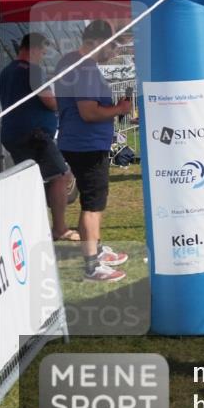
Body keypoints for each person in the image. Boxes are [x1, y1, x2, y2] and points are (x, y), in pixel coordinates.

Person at [53, 20, 131, 282]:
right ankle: (92, 265)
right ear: (97, 42)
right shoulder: (85, 67)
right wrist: (119, 109)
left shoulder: (69, 61)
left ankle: (95, 249)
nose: (113, 51)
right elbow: (88, 112)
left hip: (76, 141)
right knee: (93, 204)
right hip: (86, 144)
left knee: (92, 199)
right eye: (112, 45)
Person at [0, 33, 78, 241]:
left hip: (12, 133)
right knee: (61, 175)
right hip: (34, 135)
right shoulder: (32, 71)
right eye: (42, 52)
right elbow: (49, 101)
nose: (42, 57)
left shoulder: (6, 72)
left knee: (31, 180)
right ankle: (60, 229)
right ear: (32, 49)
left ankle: (31, 226)